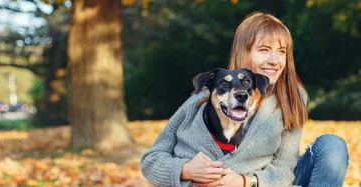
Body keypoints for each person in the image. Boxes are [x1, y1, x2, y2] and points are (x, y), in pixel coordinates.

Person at [141, 11, 349, 187]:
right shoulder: (205, 97)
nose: (274, 61)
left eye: (281, 52)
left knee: (332, 147)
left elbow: (285, 168)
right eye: (264, 50)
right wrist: (185, 170)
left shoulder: (291, 97)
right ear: (244, 53)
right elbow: (151, 160)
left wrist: (244, 181)